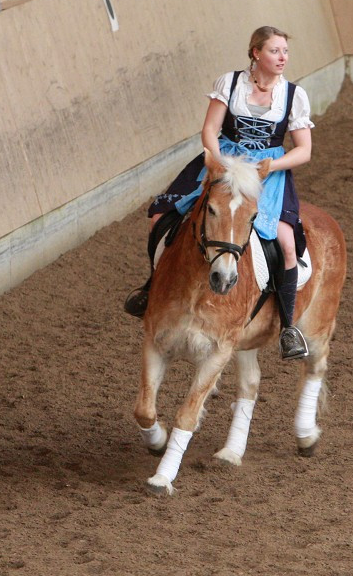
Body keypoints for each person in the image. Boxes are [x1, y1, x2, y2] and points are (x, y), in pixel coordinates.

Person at [124, 25, 315, 361]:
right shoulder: (229, 84)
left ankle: (287, 327)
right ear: (256, 53)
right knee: (161, 216)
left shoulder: (294, 96)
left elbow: (304, 151)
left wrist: (273, 165)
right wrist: (218, 162)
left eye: (285, 51)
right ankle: (153, 286)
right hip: (223, 161)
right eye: (275, 50)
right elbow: (209, 130)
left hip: (266, 172)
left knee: (286, 243)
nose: (282, 57)